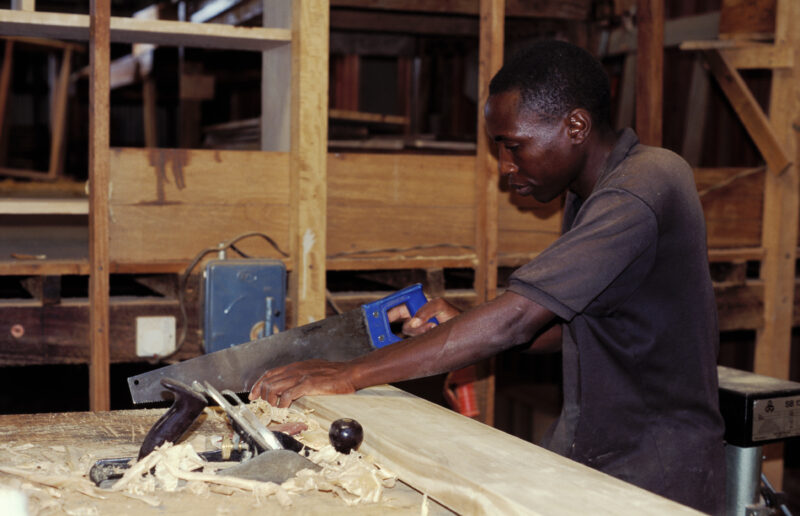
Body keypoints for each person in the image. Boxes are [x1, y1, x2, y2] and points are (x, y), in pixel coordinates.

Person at [249, 40, 725, 514]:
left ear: (575, 125)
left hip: (655, 471)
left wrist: (351, 374)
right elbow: (568, 327)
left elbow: (517, 319)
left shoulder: (644, 185)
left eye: (514, 146)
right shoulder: (593, 193)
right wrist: (466, 324)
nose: (506, 168)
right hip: (597, 448)